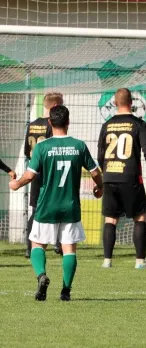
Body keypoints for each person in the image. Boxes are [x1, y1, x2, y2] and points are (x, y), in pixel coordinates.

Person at [9, 105, 103, 301]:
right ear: (68, 122)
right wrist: (99, 187)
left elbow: (29, 176)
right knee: (69, 248)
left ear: (50, 123)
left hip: (47, 205)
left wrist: (16, 184)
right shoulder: (79, 146)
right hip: (70, 206)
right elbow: (95, 172)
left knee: (37, 244)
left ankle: (42, 276)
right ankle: (66, 291)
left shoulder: (42, 147)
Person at [97, 88, 146, 269]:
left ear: (115, 103)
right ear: (132, 102)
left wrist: (105, 172)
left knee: (110, 218)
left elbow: (100, 154)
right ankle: (140, 261)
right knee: (139, 217)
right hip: (130, 177)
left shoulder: (107, 125)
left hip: (109, 176)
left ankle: (107, 260)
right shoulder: (138, 124)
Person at [23, 92, 63, 258]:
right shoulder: (51, 126)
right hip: (49, 173)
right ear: (55, 107)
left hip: (35, 173)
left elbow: (27, 151)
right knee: (59, 206)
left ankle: (29, 247)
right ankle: (60, 244)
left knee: (35, 210)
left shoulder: (32, 124)